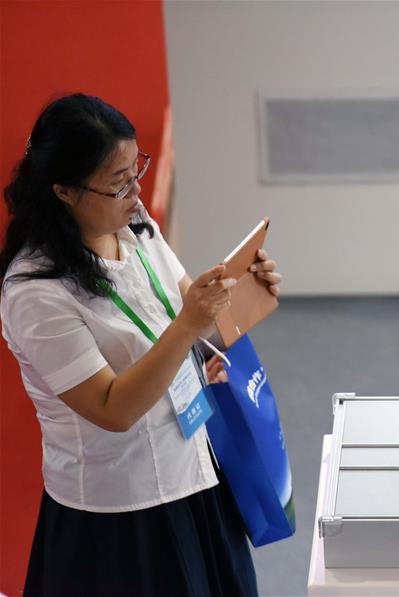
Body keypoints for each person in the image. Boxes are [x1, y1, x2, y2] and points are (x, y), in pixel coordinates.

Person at [0, 93, 282, 596]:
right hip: (119, 512)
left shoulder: (137, 230)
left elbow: (195, 335)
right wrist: (190, 323)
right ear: (64, 191)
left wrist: (245, 295)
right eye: (118, 182)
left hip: (196, 473)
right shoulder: (34, 291)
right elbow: (112, 408)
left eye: (137, 171)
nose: (136, 192)